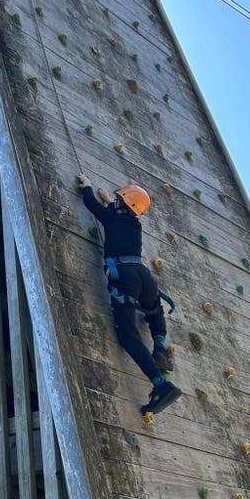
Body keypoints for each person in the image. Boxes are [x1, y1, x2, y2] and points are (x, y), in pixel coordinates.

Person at [77, 175, 181, 415]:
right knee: (155, 309)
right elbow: (115, 213)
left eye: (117, 198)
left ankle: (161, 385)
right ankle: (160, 346)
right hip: (144, 276)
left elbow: (91, 204)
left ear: (121, 204)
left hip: (125, 278)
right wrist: (110, 200)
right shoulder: (135, 225)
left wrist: (87, 184)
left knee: (128, 334)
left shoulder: (112, 217)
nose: (113, 200)